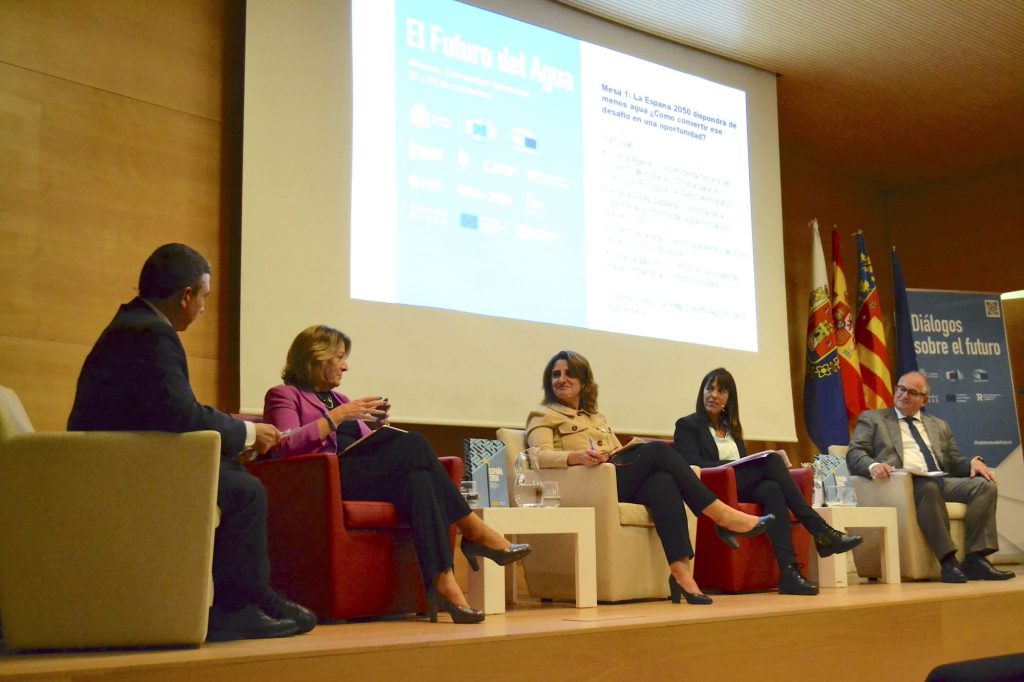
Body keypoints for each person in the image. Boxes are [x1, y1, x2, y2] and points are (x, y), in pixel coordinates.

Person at [67, 243, 316, 641]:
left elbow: (171, 409)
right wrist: (250, 432)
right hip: (115, 468)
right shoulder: (150, 334)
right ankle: (237, 609)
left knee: (232, 471)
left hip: (117, 457)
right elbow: (180, 416)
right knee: (244, 489)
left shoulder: (137, 324)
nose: (203, 307)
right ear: (186, 295)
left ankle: (253, 597)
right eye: (204, 296)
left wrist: (235, 430)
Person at [263, 325, 531, 624]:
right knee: (415, 445)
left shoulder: (339, 399)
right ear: (316, 357)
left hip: (360, 477)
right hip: (322, 482)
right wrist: (338, 417)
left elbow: (362, 446)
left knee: (420, 478)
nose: (345, 366)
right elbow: (283, 445)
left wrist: (376, 429)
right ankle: (473, 530)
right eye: (339, 357)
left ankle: (444, 583)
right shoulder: (285, 395)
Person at [525, 350, 773, 605]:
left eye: (569, 374)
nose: (561, 379)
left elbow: (615, 453)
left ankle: (680, 573)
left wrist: (619, 451)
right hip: (585, 485)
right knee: (656, 450)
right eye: (556, 374)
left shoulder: (597, 418)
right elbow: (537, 456)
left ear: (584, 382)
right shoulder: (544, 415)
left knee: (663, 483)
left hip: (611, 478)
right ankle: (721, 515)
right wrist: (576, 456)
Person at [673, 368, 863, 595]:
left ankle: (789, 573)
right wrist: (734, 467)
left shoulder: (732, 430)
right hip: (711, 490)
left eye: (721, 390)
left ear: (729, 399)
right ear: (701, 392)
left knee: (772, 489)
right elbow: (692, 465)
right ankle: (820, 530)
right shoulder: (687, 425)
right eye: (709, 388)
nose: (713, 395)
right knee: (771, 461)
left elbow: (740, 462)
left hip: (736, 487)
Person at [846, 370, 1013, 582]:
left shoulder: (938, 425)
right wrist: (874, 465)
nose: (904, 395)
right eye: (901, 389)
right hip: (901, 485)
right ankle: (948, 561)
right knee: (928, 487)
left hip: (939, 479)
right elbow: (855, 453)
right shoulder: (874, 419)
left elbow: (952, 460)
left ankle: (976, 558)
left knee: (984, 485)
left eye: (912, 392)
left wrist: (973, 462)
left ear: (924, 400)